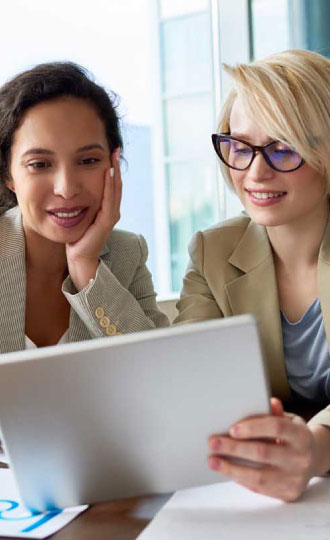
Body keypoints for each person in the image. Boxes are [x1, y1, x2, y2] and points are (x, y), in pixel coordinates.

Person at [175, 49, 330, 501]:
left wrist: (317, 447)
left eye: (283, 147)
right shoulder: (213, 251)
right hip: (253, 490)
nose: (255, 173)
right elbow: (186, 376)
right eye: (240, 147)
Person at [0, 61, 168, 353]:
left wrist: (85, 265)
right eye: (39, 164)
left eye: (88, 161)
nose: (66, 188)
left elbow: (160, 371)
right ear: (8, 174)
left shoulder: (127, 255)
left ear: (114, 164)